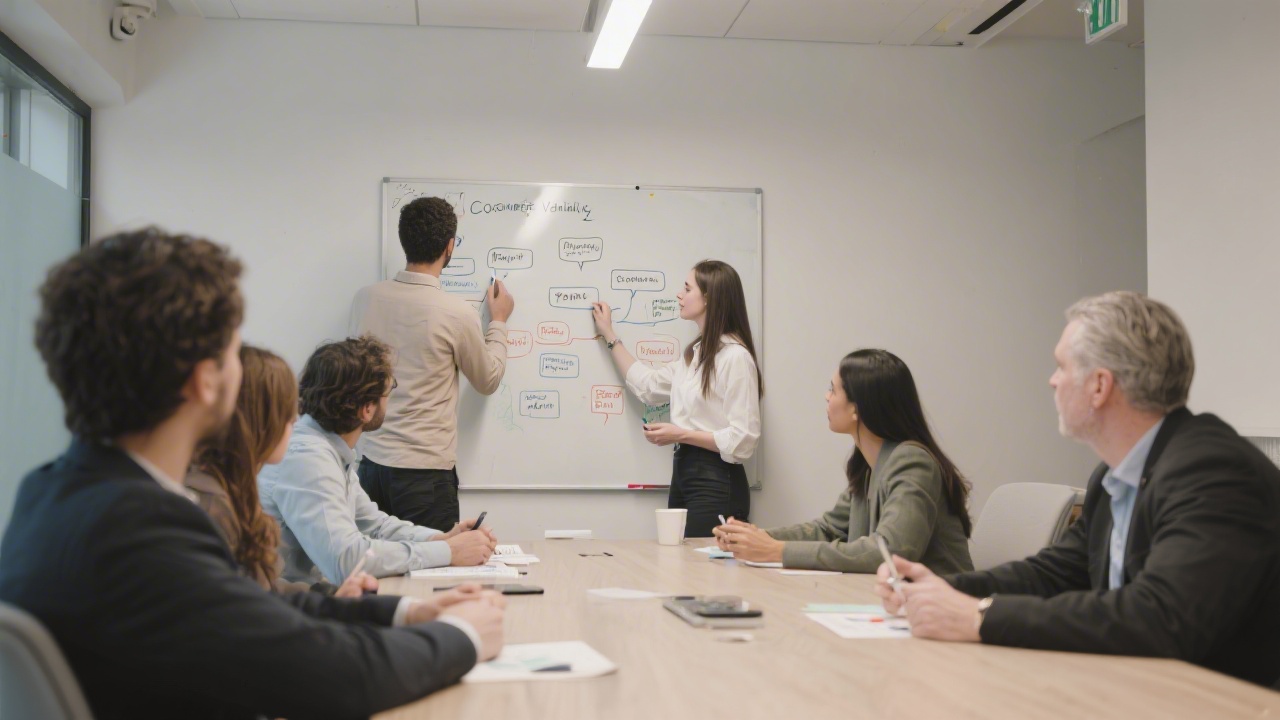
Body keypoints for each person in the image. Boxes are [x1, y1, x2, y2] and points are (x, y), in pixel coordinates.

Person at [0, 228, 505, 719]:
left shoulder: (53, 491)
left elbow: (257, 604)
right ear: (206, 381)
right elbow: (338, 679)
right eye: (233, 350)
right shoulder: (144, 532)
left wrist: (405, 613)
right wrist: (462, 634)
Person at [874, 291, 1280, 687]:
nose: (1052, 382)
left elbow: (1162, 617)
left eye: (1061, 367)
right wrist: (942, 590)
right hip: (1142, 688)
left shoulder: (1212, 470)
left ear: (1099, 386)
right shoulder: (1114, 475)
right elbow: (1055, 573)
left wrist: (980, 616)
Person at [260, 335, 497, 583]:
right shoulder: (309, 461)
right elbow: (345, 561)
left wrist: (442, 539)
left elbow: (374, 526)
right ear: (367, 409)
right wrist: (449, 552)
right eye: (389, 389)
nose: (390, 397)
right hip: (290, 607)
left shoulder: (329, 448)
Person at [714, 349, 974, 574]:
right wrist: (754, 538)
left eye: (833, 390)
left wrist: (777, 550)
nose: (827, 397)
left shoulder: (912, 462)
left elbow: (892, 551)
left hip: (940, 610)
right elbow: (829, 529)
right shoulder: (868, 464)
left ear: (857, 408)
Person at [350, 196, 514, 531]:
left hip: (370, 468)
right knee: (434, 576)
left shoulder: (365, 299)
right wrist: (498, 322)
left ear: (403, 240)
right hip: (424, 478)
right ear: (449, 246)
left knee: (373, 573)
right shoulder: (455, 312)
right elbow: (488, 380)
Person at [185, 343, 373, 596]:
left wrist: (326, 597)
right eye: (285, 409)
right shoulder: (213, 506)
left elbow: (264, 588)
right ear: (256, 418)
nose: (295, 419)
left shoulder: (235, 488)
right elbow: (249, 607)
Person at [593, 259, 762, 537]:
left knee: (703, 573)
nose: (679, 295)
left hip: (716, 481)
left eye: (687, 288)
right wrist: (609, 333)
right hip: (684, 475)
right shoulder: (694, 356)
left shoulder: (736, 358)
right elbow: (646, 386)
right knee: (678, 567)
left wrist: (681, 434)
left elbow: (744, 439)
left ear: (708, 298)